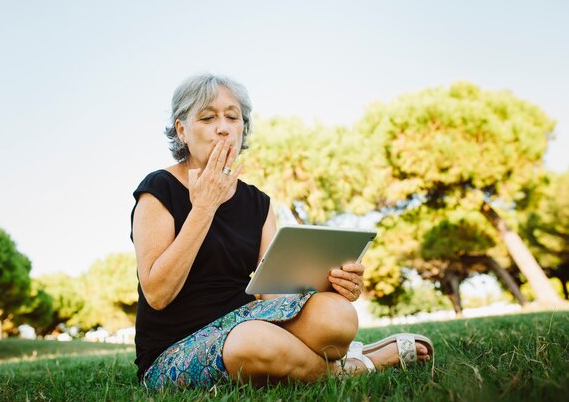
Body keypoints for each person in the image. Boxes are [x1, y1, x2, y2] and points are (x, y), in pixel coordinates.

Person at [130, 74, 433, 389]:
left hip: (245, 320)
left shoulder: (257, 202)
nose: (223, 127)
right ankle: (350, 368)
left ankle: (314, 355)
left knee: (337, 316)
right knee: (253, 341)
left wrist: (335, 285)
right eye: (208, 118)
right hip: (176, 347)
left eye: (233, 117)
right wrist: (204, 208)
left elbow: (272, 295)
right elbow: (157, 294)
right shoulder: (158, 190)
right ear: (182, 130)